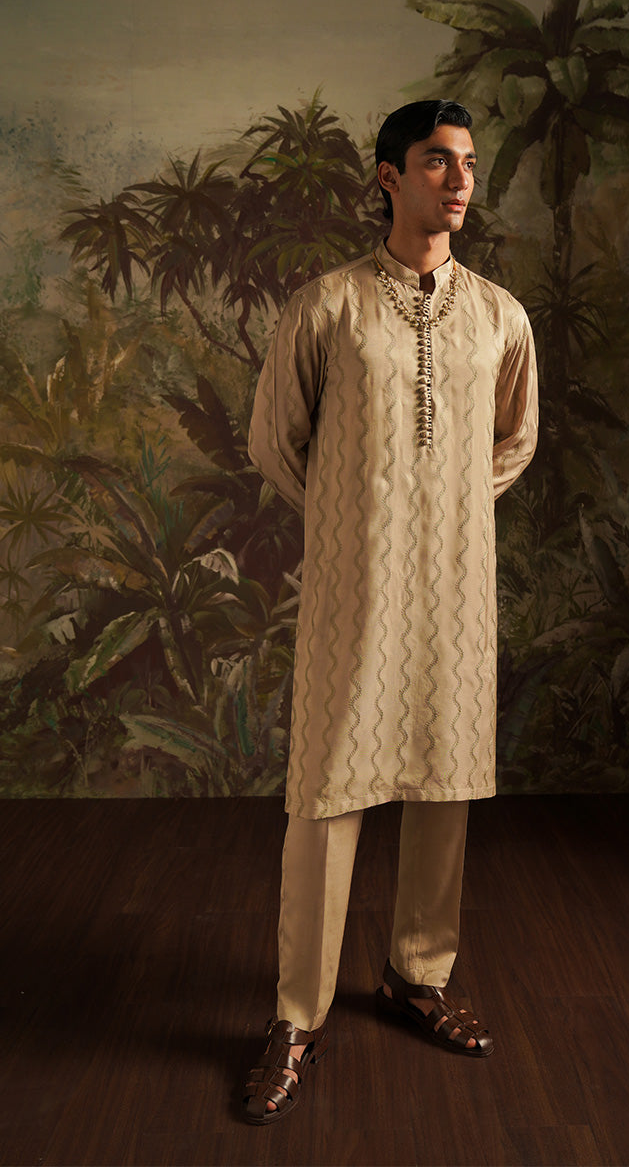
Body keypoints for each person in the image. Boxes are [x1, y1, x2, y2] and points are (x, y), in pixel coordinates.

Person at [243, 99, 538, 1125]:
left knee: (443, 779)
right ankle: (296, 1015)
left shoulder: (499, 315)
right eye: (437, 161)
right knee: (328, 791)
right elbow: (274, 440)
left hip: (455, 585)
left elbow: (514, 440)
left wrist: (440, 510)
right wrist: (358, 515)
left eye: (468, 163)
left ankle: (419, 975)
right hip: (354, 584)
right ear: (388, 177)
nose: (459, 180)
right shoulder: (326, 307)